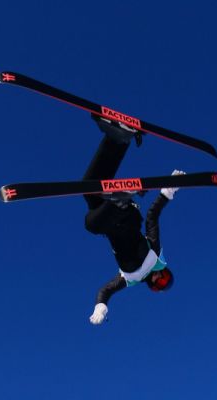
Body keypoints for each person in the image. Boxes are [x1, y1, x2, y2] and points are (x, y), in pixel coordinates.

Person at [82, 116, 186, 325]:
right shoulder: (156, 258)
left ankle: (118, 138)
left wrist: (101, 307)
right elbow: (152, 218)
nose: (159, 280)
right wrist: (167, 192)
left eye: (159, 286)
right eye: (164, 279)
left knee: (89, 189)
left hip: (108, 220)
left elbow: (106, 290)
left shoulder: (129, 280)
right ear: (165, 271)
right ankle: (120, 200)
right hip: (128, 215)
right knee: (91, 224)